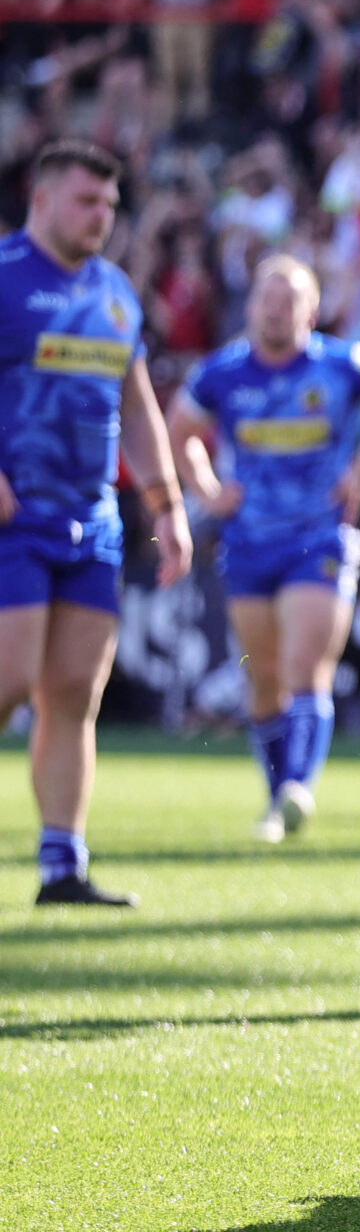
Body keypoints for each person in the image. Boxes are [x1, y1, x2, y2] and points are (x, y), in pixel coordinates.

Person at [167, 255, 360, 841]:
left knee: (307, 667)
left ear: (312, 310)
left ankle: (297, 789)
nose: (276, 309)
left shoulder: (343, 363)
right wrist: (206, 488)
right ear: (251, 305)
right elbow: (177, 429)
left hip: (319, 536)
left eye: (290, 299)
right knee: (264, 681)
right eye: (267, 298)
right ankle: (277, 795)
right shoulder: (221, 372)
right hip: (248, 540)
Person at [0, 140, 191, 906]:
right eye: (87, 202)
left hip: (91, 524)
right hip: (15, 520)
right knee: (11, 678)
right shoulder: (7, 276)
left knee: (74, 690)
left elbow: (137, 404)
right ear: (41, 199)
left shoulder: (114, 291)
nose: (101, 217)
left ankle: (62, 866)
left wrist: (166, 504)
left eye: (110, 206)